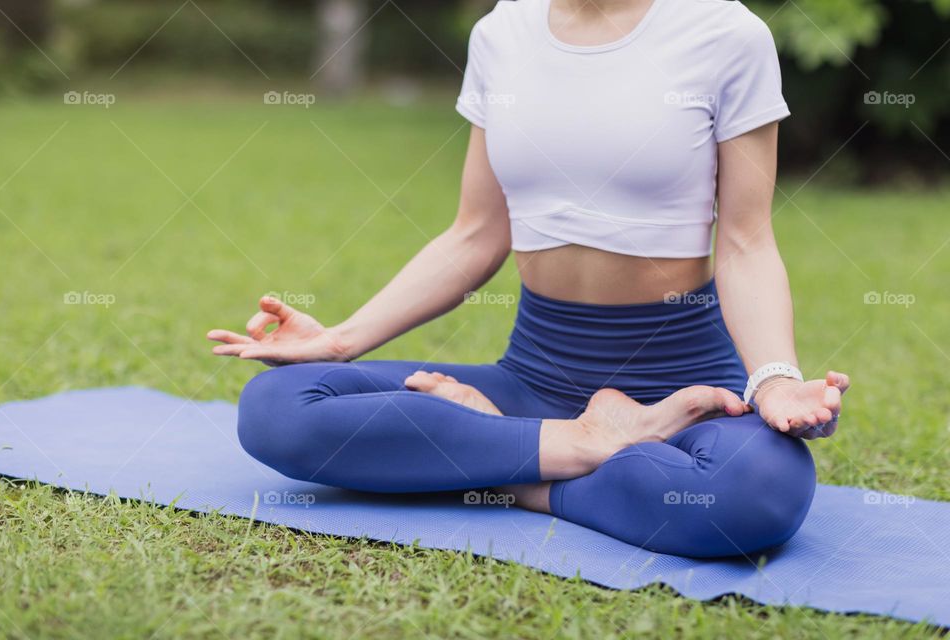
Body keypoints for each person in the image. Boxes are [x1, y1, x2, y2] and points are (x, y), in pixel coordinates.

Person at [208, 0, 850, 558]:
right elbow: (476, 234)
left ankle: (515, 470)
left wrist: (776, 377)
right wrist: (340, 341)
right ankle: (577, 444)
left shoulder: (726, 34)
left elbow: (745, 243)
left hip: (681, 396)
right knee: (276, 409)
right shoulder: (502, 32)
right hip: (533, 379)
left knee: (755, 492)